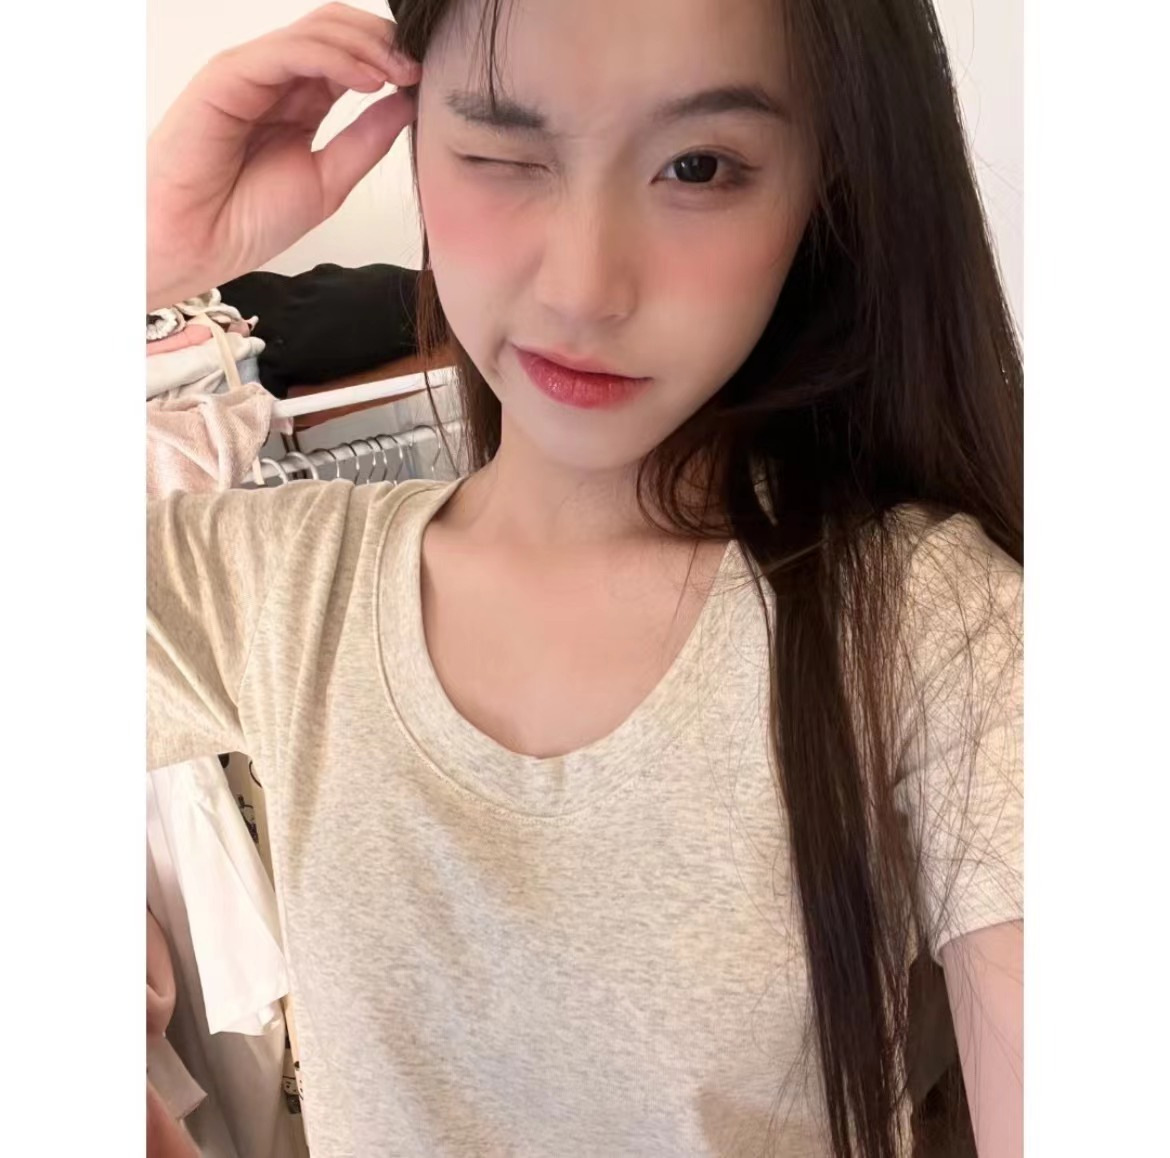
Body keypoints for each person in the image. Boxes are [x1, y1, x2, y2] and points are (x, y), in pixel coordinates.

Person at [146, 2, 1023, 1156]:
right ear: (417, 136)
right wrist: (137, 259)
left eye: (698, 168)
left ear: (826, 191)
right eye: (505, 151)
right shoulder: (272, 588)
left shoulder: (934, 632)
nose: (584, 286)